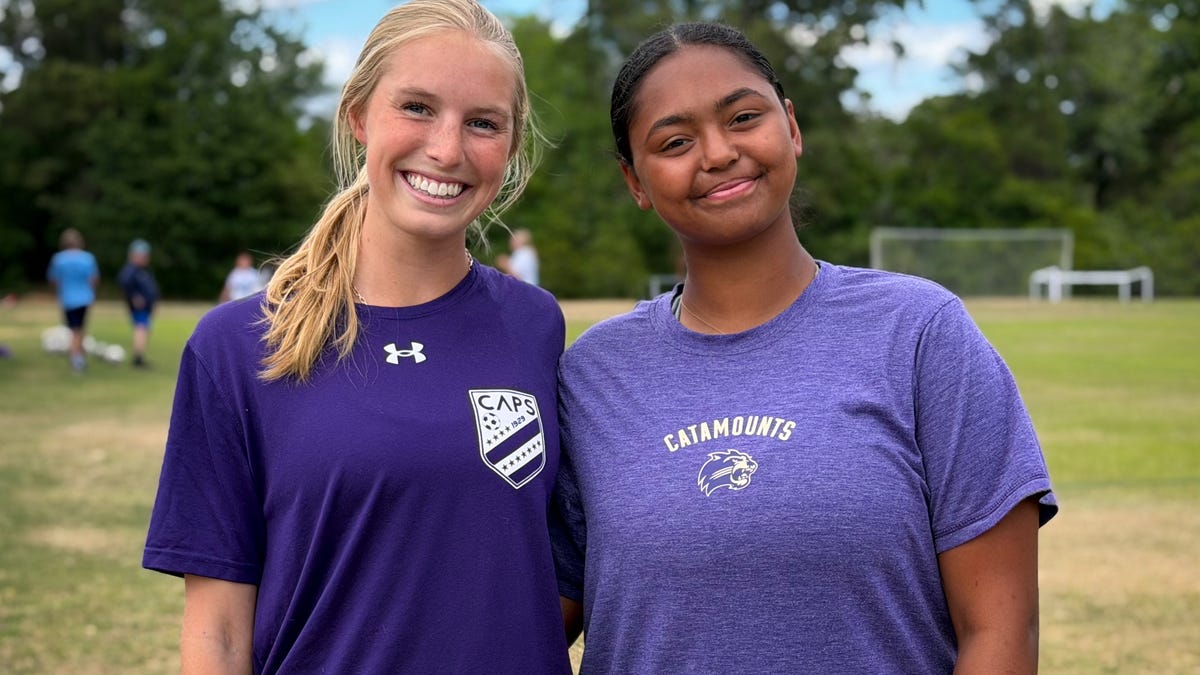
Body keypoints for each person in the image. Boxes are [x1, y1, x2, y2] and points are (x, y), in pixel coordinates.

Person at [551, 22, 1058, 674]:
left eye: (743, 117)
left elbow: (1001, 632)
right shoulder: (592, 374)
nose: (717, 152)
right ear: (636, 182)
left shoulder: (922, 334)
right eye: (675, 141)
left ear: (791, 125)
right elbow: (524, 622)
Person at [142, 1, 570, 672]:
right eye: (418, 108)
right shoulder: (237, 345)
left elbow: (541, 573)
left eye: (482, 123)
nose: (448, 148)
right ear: (359, 116)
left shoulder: (536, 325)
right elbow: (218, 632)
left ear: (510, 148)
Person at [46, 228, 99, 373]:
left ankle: (77, 358)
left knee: (74, 329)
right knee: (79, 328)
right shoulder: (88, 258)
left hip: (68, 298)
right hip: (84, 298)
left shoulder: (58, 259)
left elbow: (54, 279)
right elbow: (93, 279)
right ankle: (78, 357)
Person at [117, 238, 159, 368]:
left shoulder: (142, 270)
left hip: (146, 307)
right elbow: (124, 283)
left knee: (144, 329)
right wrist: (134, 296)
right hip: (140, 308)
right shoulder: (131, 270)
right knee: (141, 329)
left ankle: (140, 356)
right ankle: (138, 358)